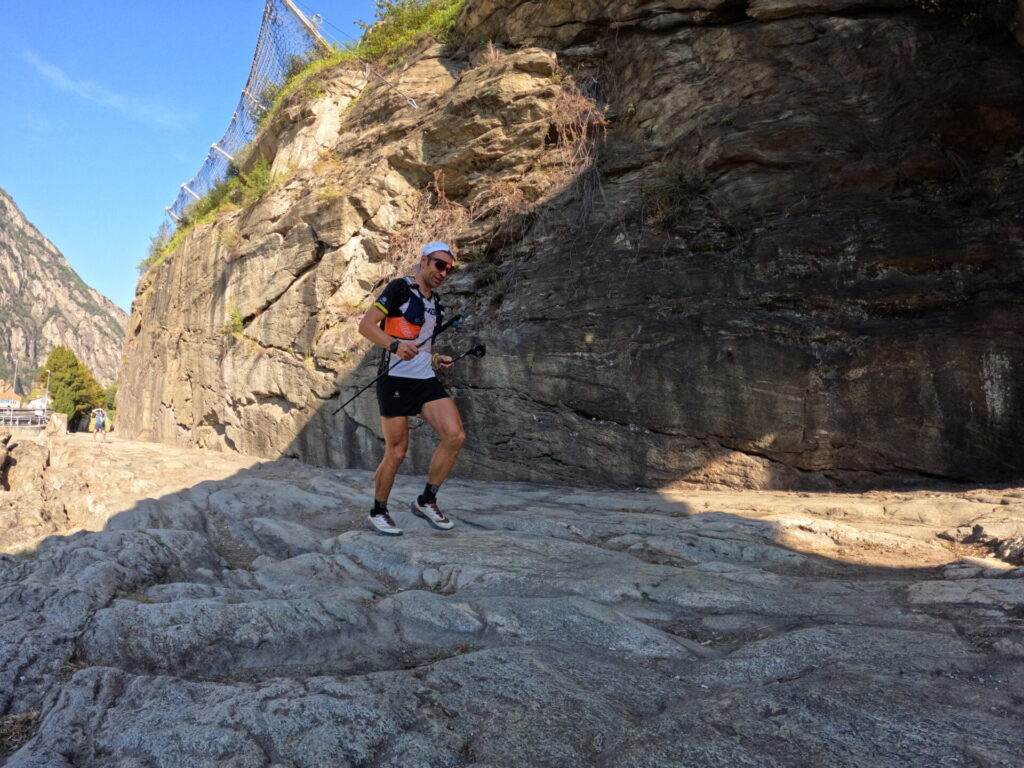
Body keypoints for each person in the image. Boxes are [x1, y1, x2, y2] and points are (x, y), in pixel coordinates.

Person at [357, 241, 466, 535]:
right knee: (397, 451)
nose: (443, 272)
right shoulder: (400, 289)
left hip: (425, 379)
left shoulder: (436, 303)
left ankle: (425, 501)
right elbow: (366, 325)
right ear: (424, 261)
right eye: (439, 264)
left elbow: (422, 344)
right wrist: (392, 344)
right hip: (394, 379)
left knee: (455, 435)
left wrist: (434, 357)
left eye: (448, 268)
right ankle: (377, 512)